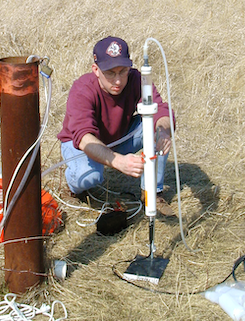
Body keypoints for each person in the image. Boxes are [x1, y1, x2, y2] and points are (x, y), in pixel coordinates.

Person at [57, 36, 172, 214]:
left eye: (123, 71)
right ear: (96, 70)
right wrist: (119, 162)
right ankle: (72, 188)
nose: (118, 81)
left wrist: (163, 131)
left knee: (156, 127)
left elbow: (161, 110)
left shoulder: (137, 80)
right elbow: (83, 138)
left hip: (119, 137)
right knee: (90, 178)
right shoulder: (82, 89)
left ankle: (152, 192)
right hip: (81, 146)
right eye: (110, 73)